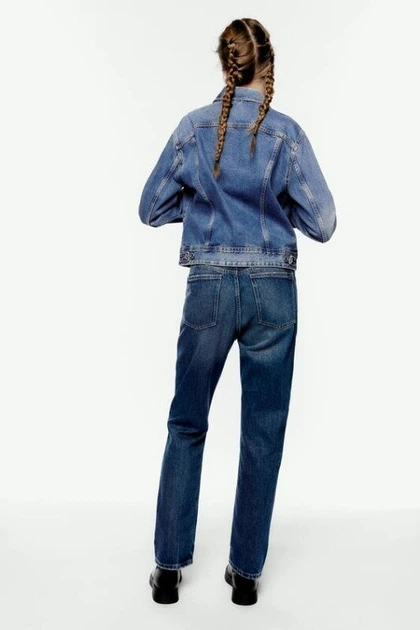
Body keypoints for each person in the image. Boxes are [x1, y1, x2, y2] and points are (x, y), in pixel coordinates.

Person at [139, 17, 337, 606]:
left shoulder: (193, 129)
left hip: (208, 288)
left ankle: (168, 571)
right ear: (267, 65)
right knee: (263, 432)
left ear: (227, 64)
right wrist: (275, 210)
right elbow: (323, 222)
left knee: (186, 422)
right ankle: (246, 575)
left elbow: (151, 207)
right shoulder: (287, 134)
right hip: (273, 291)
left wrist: (205, 209)